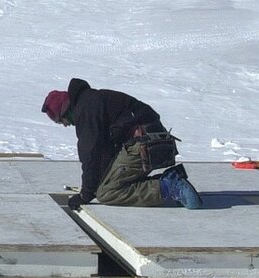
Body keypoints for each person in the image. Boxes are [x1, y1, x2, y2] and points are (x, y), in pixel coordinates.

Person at [41, 77, 201, 211]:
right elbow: (105, 153)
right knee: (106, 184)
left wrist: (86, 194)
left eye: (61, 121)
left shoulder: (86, 111)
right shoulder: (92, 100)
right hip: (156, 141)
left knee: (107, 192)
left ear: (65, 111)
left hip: (142, 144)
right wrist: (94, 185)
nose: (65, 125)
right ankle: (169, 179)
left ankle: (168, 187)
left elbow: (90, 155)